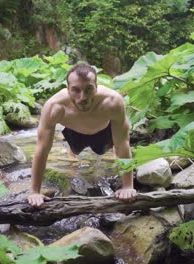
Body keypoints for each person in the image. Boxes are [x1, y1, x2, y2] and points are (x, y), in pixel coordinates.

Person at [27, 63, 137, 207]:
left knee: (112, 148)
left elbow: (123, 143)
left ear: (96, 87)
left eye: (88, 89)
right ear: (67, 89)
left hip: (103, 132)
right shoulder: (54, 107)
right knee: (75, 152)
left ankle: (110, 152)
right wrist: (35, 191)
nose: (82, 97)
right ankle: (70, 153)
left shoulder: (112, 102)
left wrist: (128, 186)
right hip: (74, 132)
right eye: (75, 90)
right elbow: (42, 149)